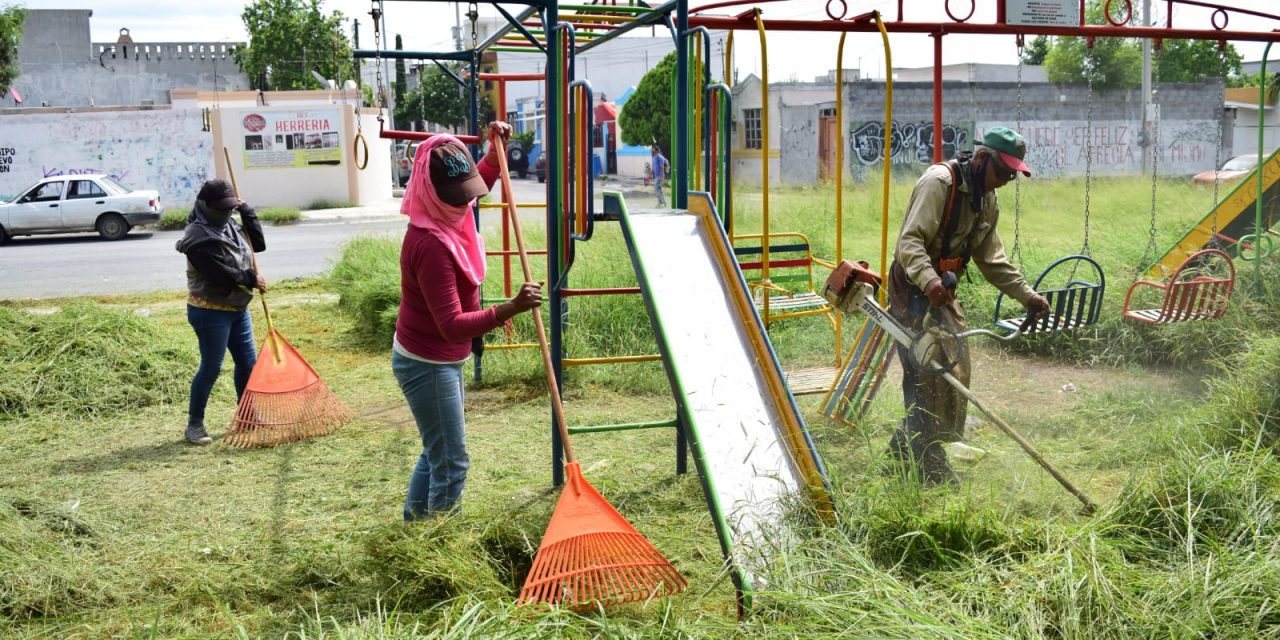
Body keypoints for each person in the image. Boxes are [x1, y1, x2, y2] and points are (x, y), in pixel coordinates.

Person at [394, 122, 543, 520]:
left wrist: (495, 153)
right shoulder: (431, 244)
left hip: (441, 357)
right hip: (428, 361)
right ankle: (441, 545)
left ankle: (415, 528)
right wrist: (510, 308)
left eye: (468, 195)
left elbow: (479, 182)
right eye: (457, 198)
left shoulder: (446, 212)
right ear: (431, 190)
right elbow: (452, 325)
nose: (465, 204)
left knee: (436, 450)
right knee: (453, 463)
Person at [887, 126, 1050, 486]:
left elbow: (992, 260)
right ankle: (926, 464)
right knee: (927, 372)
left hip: (942, 291)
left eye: (1013, 174)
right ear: (981, 158)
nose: (1008, 179)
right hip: (913, 287)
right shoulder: (939, 184)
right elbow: (909, 243)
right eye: (1004, 171)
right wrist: (929, 281)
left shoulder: (987, 198)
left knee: (955, 368)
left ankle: (903, 451)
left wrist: (1028, 295)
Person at [175, 178, 267, 445]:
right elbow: (218, 273)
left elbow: (258, 245)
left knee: (247, 364)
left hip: (238, 308)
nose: (226, 213)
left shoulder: (229, 225)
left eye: (230, 208)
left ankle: (247, 416)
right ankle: (194, 425)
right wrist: (250, 278)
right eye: (221, 208)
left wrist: (246, 209)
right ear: (205, 206)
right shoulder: (197, 236)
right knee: (212, 367)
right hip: (210, 311)